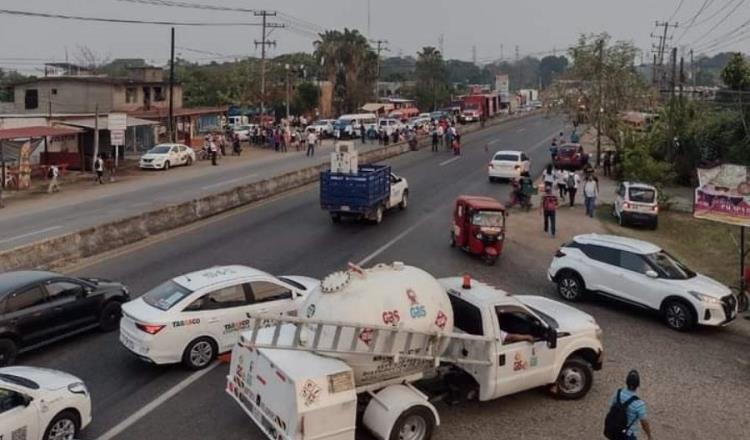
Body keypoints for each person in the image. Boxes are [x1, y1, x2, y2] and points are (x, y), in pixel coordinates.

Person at [605, 370, 652, 440]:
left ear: (626, 381)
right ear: (638, 385)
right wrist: (649, 436)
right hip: (627, 435)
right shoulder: (639, 404)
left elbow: (611, 407)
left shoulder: (617, 393)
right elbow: (644, 423)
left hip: (614, 430)